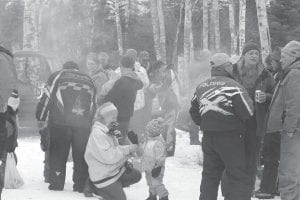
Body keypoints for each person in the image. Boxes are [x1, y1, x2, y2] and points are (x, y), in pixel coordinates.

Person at [190, 53, 254, 200]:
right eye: (230, 65)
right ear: (225, 67)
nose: (232, 67)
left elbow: (193, 112)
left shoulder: (201, 86)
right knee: (237, 175)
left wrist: (207, 123)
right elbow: (248, 112)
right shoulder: (234, 86)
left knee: (209, 176)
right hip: (231, 137)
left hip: (208, 137)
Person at [36, 61, 97, 192]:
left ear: (64, 68)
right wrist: (89, 123)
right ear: (77, 69)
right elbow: (94, 104)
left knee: (58, 152)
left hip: (60, 123)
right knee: (80, 154)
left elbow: (47, 97)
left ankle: (57, 184)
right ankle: (80, 185)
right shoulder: (89, 79)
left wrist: (40, 116)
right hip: (83, 125)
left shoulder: (59, 75)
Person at [232, 42, 275, 191]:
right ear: (243, 55)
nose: (254, 56)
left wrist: (266, 96)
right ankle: (233, 189)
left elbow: (276, 95)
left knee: (251, 158)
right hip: (234, 122)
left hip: (255, 123)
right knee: (234, 157)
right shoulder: (233, 72)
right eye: (251, 53)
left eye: (257, 53)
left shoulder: (265, 74)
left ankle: (247, 190)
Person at [84, 102, 141, 200]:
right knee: (121, 199)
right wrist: (127, 149)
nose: (116, 120)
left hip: (111, 170)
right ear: (103, 119)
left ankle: (112, 187)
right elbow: (109, 156)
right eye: (113, 118)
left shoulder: (110, 130)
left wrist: (128, 155)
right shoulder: (98, 134)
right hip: (103, 175)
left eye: (116, 117)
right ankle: (96, 188)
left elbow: (117, 148)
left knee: (136, 175)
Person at [266, 40, 300, 200]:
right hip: (292, 130)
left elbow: (294, 104)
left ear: (294, 57)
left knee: (288, 172)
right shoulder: (291, 72)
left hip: (293, 132)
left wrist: (289, 130)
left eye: (284, 56)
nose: (281, 60)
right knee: (294, 172)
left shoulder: (295, 74)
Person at [255, 47, 282, 199]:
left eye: (273, 61)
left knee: (271, 156)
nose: (271, 64)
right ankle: (275, 187)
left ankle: (268, 189)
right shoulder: (273, 74)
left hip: (277, 123)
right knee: (272, 155)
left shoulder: (287, 75)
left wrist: (267, 97)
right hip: (270, 121)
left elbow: (281, 99)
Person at [102, 56, 143, 144]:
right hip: (126, 115)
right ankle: (130, 153)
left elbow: (110, 98)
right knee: (120, 138)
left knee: (116, 141)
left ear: (120, 65)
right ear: (132, 66)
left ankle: (123, 155)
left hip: (117, 117)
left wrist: (101, 99)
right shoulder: (134, 80)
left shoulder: (122, 81)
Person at [133, 118, 169, 200]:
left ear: (153, 132)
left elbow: (161, 157)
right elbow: (142, 151)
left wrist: (158, 167)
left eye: (148, 130)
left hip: (156, 169)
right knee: (150, 183)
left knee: (157, 184)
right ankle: (152, 196)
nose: (146, 132)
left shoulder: (158, 143)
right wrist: (137, 143)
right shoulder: (147, 141)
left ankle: (164, 197)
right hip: (147, 167)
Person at [0, 90, 20, 199]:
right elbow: (9, 133)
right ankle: (3, 181)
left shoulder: (11, 115)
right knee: (6, 163)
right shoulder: (9, 116)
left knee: (8, 163)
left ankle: (4, 180)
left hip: (7, 145)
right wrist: (9, 147)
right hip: (5, 145)